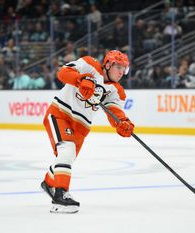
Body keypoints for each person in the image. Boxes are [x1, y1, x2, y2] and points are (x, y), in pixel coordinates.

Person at [40, 50, 134, 214]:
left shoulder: (115, 90)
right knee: (66, 151)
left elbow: (115, 113)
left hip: (81, 127)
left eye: (124, 69)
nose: (121, 72)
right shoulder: (89, 65)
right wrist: (80, 79)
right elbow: (63, 73)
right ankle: (60, 197)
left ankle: (49, 183)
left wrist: (123, 124)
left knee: (66, 159)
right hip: (60, 113)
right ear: (108, 64)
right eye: (118, 67)